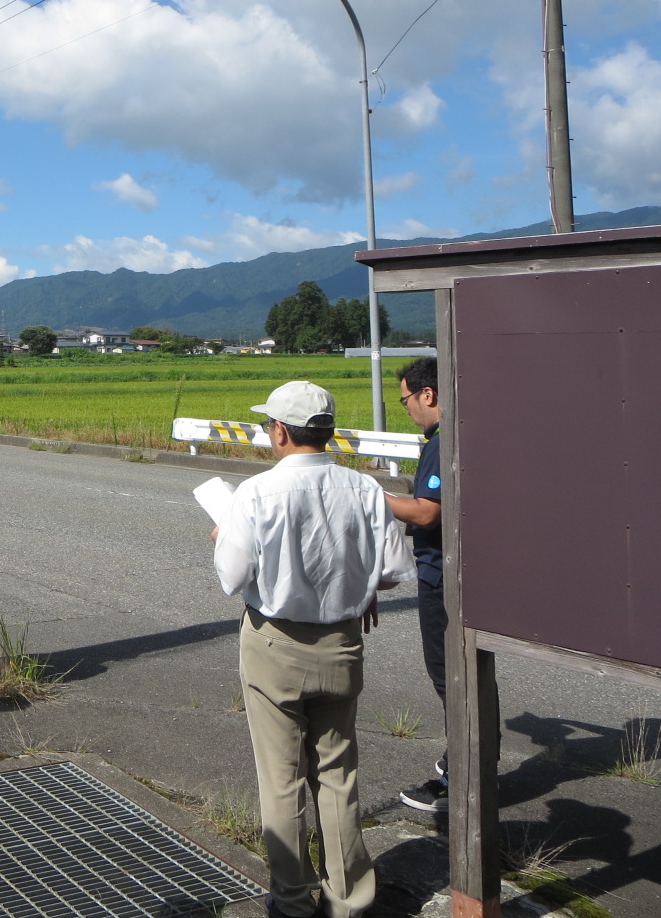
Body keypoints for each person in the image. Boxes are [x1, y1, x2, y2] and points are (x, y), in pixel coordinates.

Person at [213, 381, 415, 918]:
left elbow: (234, 578)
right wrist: (358, 587)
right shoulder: (366, 488)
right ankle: (348, 898)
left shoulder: (255, 494)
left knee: (281, 781)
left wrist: (221, 537)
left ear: (280, 431)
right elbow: (395, 571)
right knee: (338, 774)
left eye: (266, 426)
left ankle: (291, 901)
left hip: (275, 642)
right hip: (343, 642)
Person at [386, 357, 449, 813]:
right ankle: (461, 764)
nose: (407, 408)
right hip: (454, 569)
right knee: (458, 679)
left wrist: (371, 495)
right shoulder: (461, 431)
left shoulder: (443, 441)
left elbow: (428, 511)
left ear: (428, 394)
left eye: (406, 399)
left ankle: (462, 778)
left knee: (451, 678)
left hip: (443, 577)